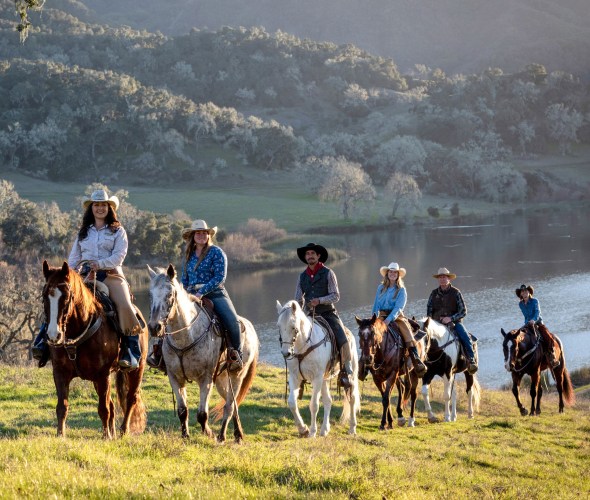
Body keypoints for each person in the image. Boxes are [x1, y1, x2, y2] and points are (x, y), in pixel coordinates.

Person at [32, 189, 143, 370]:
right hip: (84, 276)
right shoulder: (84, 232)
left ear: (109, 208)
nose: (100, 208)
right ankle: (43, 342)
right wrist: (71, 274)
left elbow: (119, 256)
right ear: (91, 208)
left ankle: (130, 352)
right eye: (97, 205)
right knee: (59, 299)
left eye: (103, 205)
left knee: (124, 304)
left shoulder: (118, 231)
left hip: (110, 275)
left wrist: (98, 264)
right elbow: (74, 258)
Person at [149, 219, 243, 372]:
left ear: (208, 235)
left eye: (204, 233)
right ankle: (161, 355)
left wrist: (201, 292)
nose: (201, 235)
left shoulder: (217, 252)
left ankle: (236, 354)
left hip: (215, 293)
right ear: (192, 236)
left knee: (232, 321)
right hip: (190, 294)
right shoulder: (188, 256)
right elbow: (185, 280)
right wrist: (184, 294)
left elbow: (219, 277)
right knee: (169, 317)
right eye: (198, 233)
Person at [294, 242, 353, 389]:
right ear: (305, 257)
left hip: (327, 313)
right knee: (294, 337)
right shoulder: (302, 276)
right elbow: (298, 299)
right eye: (308, 254)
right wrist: (298, 311)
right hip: (309, 315)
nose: (310, 256)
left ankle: (346, 367)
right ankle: (298, 372)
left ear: (318, 256)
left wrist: (320, 300)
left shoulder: (328, 273)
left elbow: (336, 295)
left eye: (313, 254)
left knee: (341, 335)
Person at [372, 262, 426, 377]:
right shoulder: (380, 288)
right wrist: (374, 319)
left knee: (407, 333)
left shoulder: (401, 290)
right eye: (390, 272)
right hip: (381, 315)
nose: (392, 274)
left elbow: (398, 307)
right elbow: (376, 305)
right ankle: (366, 362)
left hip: (396, 316)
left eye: (395, 272)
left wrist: (389, 319)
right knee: (369, 333)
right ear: (387, 274)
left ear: (398, 275)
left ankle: (416, 359)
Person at [426, 267, 478, 374]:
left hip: (455, 323)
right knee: (425, 337)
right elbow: (429, 313)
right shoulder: (433, 294)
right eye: (440, 277)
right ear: (438, 279)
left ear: (449, 279)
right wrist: (436, 320)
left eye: (444, 277)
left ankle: (471, 360)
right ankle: (423, 361)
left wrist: (450, 318)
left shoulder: (456, 293)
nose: (442, 279)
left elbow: (463, 311)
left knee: (464, 336)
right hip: (437, 324)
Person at [515, 284, 559, 367]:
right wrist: (528, 322)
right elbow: (526, 316)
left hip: (538, 323)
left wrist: (533, 320)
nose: (524, 293)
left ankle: (552, 357)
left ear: (529, 292)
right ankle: (519, 359)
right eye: (522, 292)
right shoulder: (520, 304)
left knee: (547, 337)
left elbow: (537, 312)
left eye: (526, 291)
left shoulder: (535, 301)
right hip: (527, 325)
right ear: (521, 294)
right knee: (518, 337)